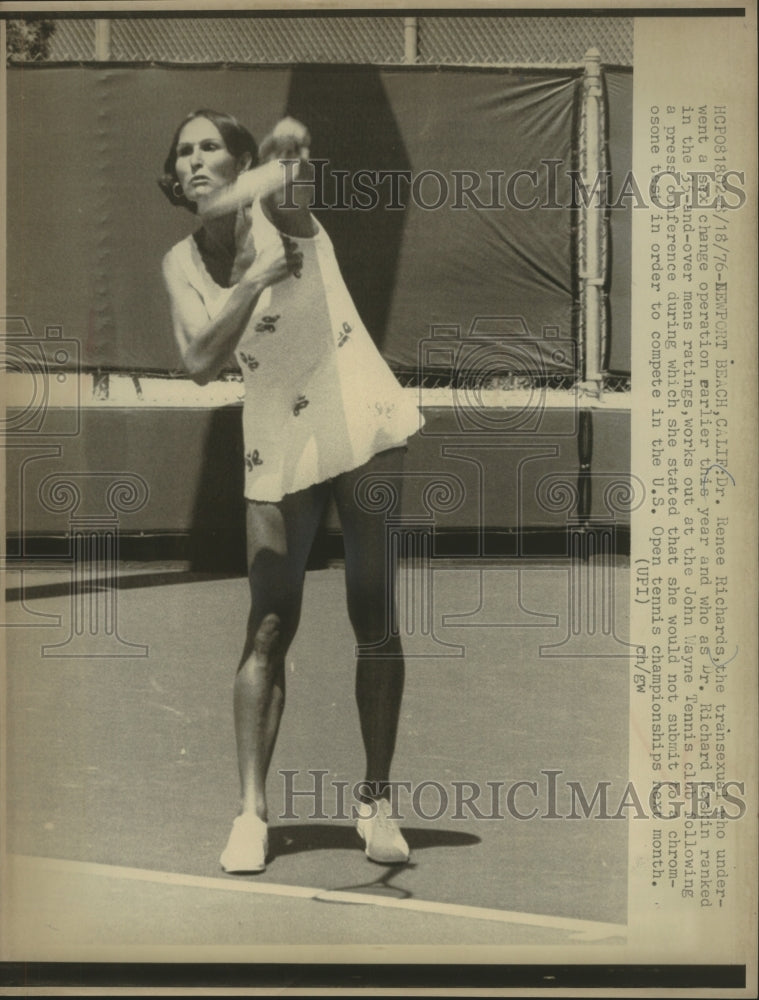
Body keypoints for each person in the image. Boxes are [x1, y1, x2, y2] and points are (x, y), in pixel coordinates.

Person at [159, 109, 423, 873]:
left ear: (240, 161)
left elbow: (290, 174)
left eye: (212, 146)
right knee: (269, 625)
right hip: (276, 430)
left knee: (372, 612)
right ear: (172, 174)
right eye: (184, 152)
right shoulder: (180, 262)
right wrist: (249, 282)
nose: (196, 159)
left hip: (358, 415)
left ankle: (375, 803)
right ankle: (251, 815)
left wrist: (286, 155)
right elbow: (201, 360)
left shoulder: (281, 210)